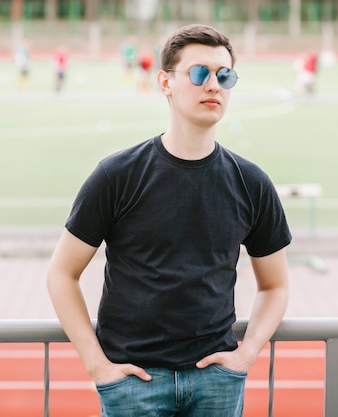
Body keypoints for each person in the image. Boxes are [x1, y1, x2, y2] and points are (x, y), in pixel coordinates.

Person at [47, 23, 291, 417]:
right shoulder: (117, 175)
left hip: (217, 383)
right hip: (133, 385)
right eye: (199, 73)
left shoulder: (251, 182)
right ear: (165, 82)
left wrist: (246, 355)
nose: (214, 85)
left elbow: (276, 285)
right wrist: (98, 366)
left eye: (224, 75)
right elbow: (61, 274)